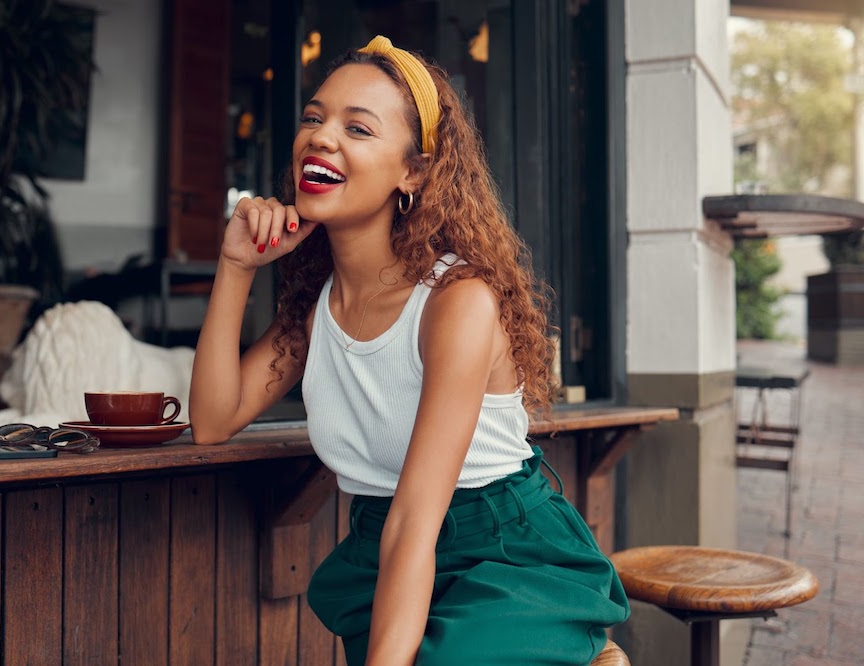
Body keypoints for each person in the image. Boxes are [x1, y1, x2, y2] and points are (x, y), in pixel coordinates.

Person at [190, 35, 629, 666]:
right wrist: (235, 268)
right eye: (313, 118)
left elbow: (416, 522)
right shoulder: (318, 311)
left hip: (501, 554)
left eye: (357, 128)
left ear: (413, 173)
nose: (321, 136)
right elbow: (211, 420)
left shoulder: (457, 301)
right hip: (382, 553)